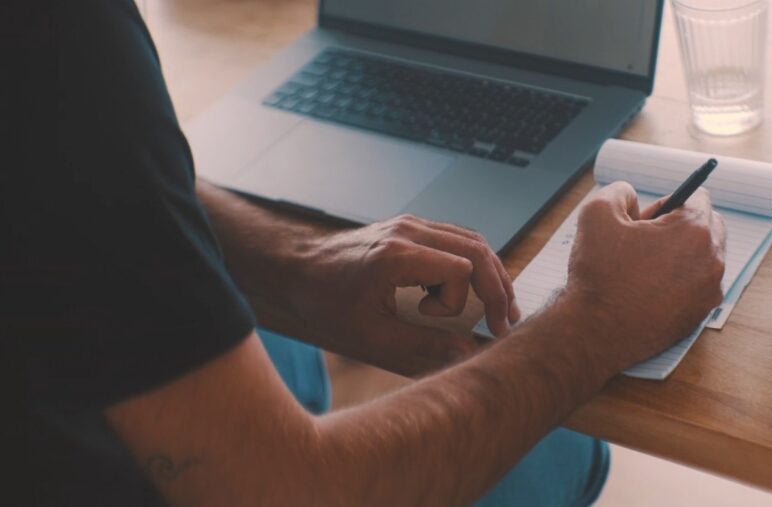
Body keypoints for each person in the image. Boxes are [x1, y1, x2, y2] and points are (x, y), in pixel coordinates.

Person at [4, 1, 725, 505]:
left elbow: (93, 187)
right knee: (560, 443)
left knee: (285, 352)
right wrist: (594, 322)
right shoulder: (58, 37)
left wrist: (296, 259)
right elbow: (291, 490)